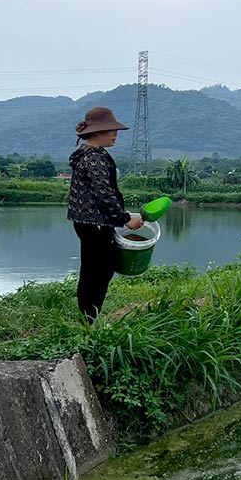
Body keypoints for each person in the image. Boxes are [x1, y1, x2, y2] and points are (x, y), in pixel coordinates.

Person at [68, 107, 143, 322]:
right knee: (99, 271)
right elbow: (104, 193)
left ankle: (88, 319)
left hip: (87, 222)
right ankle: (89, 320)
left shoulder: (86, 155)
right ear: (97, 132)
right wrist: (126, 219)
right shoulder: (95, 158)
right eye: (111, 130)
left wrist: (121, 215)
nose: (115, 134)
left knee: (93, 268)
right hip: (96, 223)